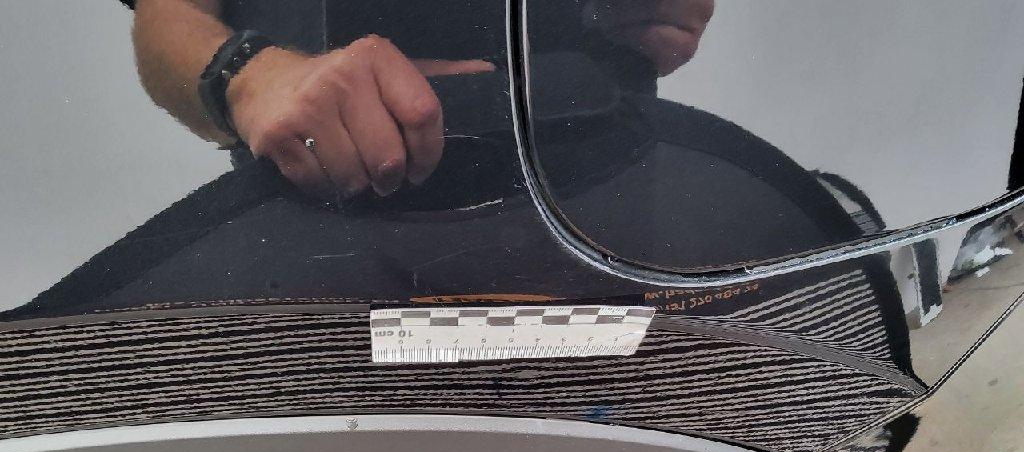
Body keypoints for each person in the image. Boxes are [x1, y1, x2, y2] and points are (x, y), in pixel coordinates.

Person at [124, 0, 715, 197]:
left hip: (598, 190)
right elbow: (170, 13)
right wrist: (253, 78)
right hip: (324, 204)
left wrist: (659, 20)